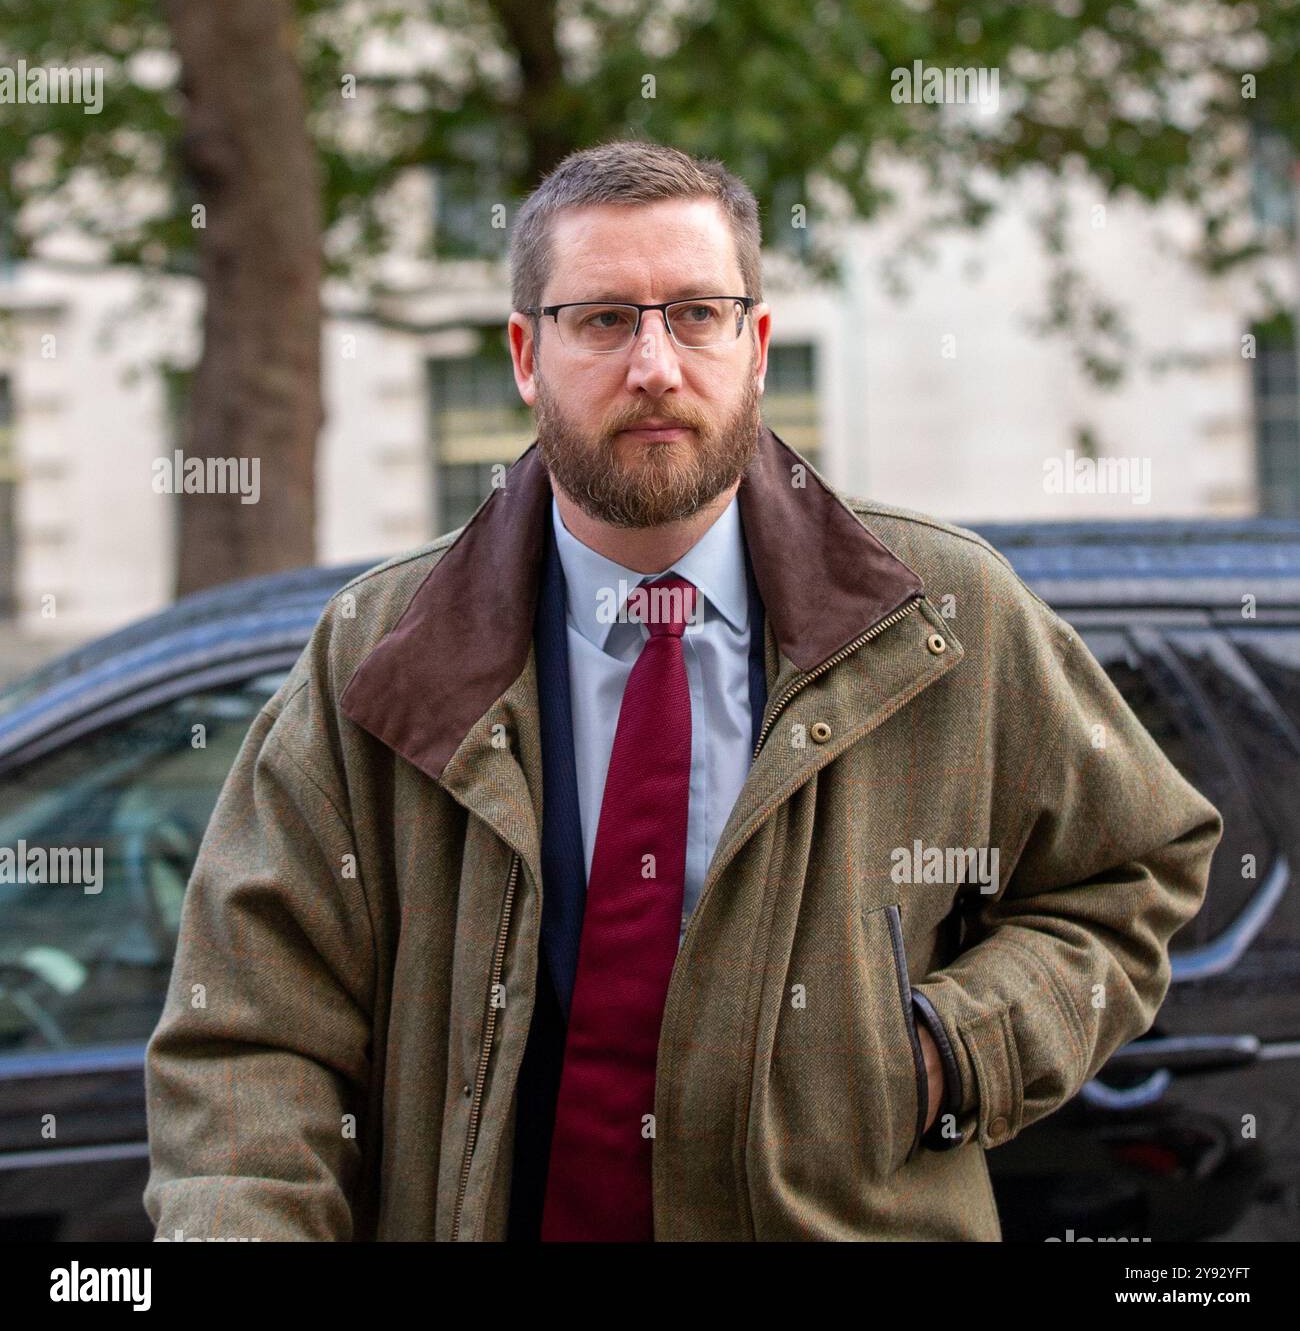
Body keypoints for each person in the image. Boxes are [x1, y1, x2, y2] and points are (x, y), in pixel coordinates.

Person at [143, 139, 1223, 1242]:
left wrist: (946, 1051)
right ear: (525, 354)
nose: (655, 365)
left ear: (755, 346)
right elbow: (250, 1034)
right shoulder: (376, 655)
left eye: (697, 314)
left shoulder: (945, 616)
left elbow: (1132, 869)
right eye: (604, 319)